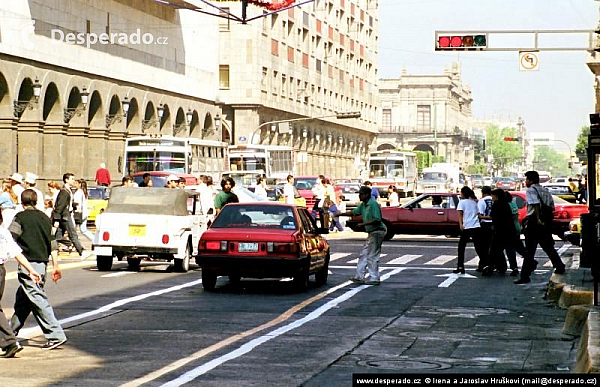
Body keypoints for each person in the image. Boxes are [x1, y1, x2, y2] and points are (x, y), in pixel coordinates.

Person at [8, 189, 68, 350]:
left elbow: (10, 238)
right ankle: (8, 335)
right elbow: (53, 244)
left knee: (38, 300)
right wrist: (56, 265)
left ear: (22, 203)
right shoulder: (45, 218)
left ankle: (56, 335)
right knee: (23, 302)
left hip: (29, 266)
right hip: (42, 265)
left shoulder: (20, 218)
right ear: (36, 202)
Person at [514, 171, 566, 285]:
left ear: (531, 180)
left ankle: (525, 276)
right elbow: (552, 207)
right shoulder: (545, 190)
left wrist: (537, 218)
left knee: (530, 250)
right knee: (547, 246)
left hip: (534, 222)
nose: (525, 181)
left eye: (526, 179)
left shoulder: (531, 190)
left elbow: (535, 203)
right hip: (545, 222)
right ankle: (559, 265)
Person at [0, 224, 42, 358]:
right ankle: (9, 342)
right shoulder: (3, 233)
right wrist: (31, 269)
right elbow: (17, 253)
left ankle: (10, 341)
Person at [340, 186, 386, 285]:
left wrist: (363, 224)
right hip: (372, 232)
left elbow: (377, 219)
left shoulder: (373, 204)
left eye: (361, 194)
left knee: (372, 255)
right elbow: (354, 212)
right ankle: (359, 276)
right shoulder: (364, 205)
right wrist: (339, 214)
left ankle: (375, 278)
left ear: (367, 195)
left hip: (377, 231)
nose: (359, 196)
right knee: (364, 255)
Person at [455, 186, 487, 275]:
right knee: (478, 247)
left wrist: (461, 224)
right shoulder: (474, 202)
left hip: (467, 226)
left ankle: (460, 266)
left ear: (463, 194)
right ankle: (485, 264)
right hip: (476, 226)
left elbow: (460, 214)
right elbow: (478, 214)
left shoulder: (462, 203)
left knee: (461, 247)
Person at [485, 188, 517, 275]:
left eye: (493, 196)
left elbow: (493, 216)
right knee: (510, 250)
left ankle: (493, 267)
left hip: (499, 231)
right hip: (509, 230)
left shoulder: (496, 205)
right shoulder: (506, 205)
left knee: (494, 250)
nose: (492, 197)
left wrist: (481, 217)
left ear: (496, 196)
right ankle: (514, 268)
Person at [52, 173, 85, 256]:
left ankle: (52, 249)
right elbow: (60, 205)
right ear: (66, 180)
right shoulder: (64, 191)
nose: (73, 181)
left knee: (58, 236)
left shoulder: (68, 190)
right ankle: (80, 250)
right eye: (72, 179)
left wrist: (73, 205)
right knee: (72, 234)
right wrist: (56, 219)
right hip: (65, 216)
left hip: (66, 214)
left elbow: (66, 204)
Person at [505, 191, 527, 276]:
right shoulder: (514, 205)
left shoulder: (507, 206)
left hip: (511, 229)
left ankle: (514, 267)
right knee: (519, 247)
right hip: (517, 227)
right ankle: (531, 261)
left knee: (510, 249)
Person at [476, 186, 493, 272]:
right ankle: (493, 264)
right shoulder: (494, 200)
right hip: (494, 225)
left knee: (483, 246)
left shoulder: (481, 201)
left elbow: (480, 214)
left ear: (483, 192)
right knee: (492, 245)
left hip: (485, 224)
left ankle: (483, 264)